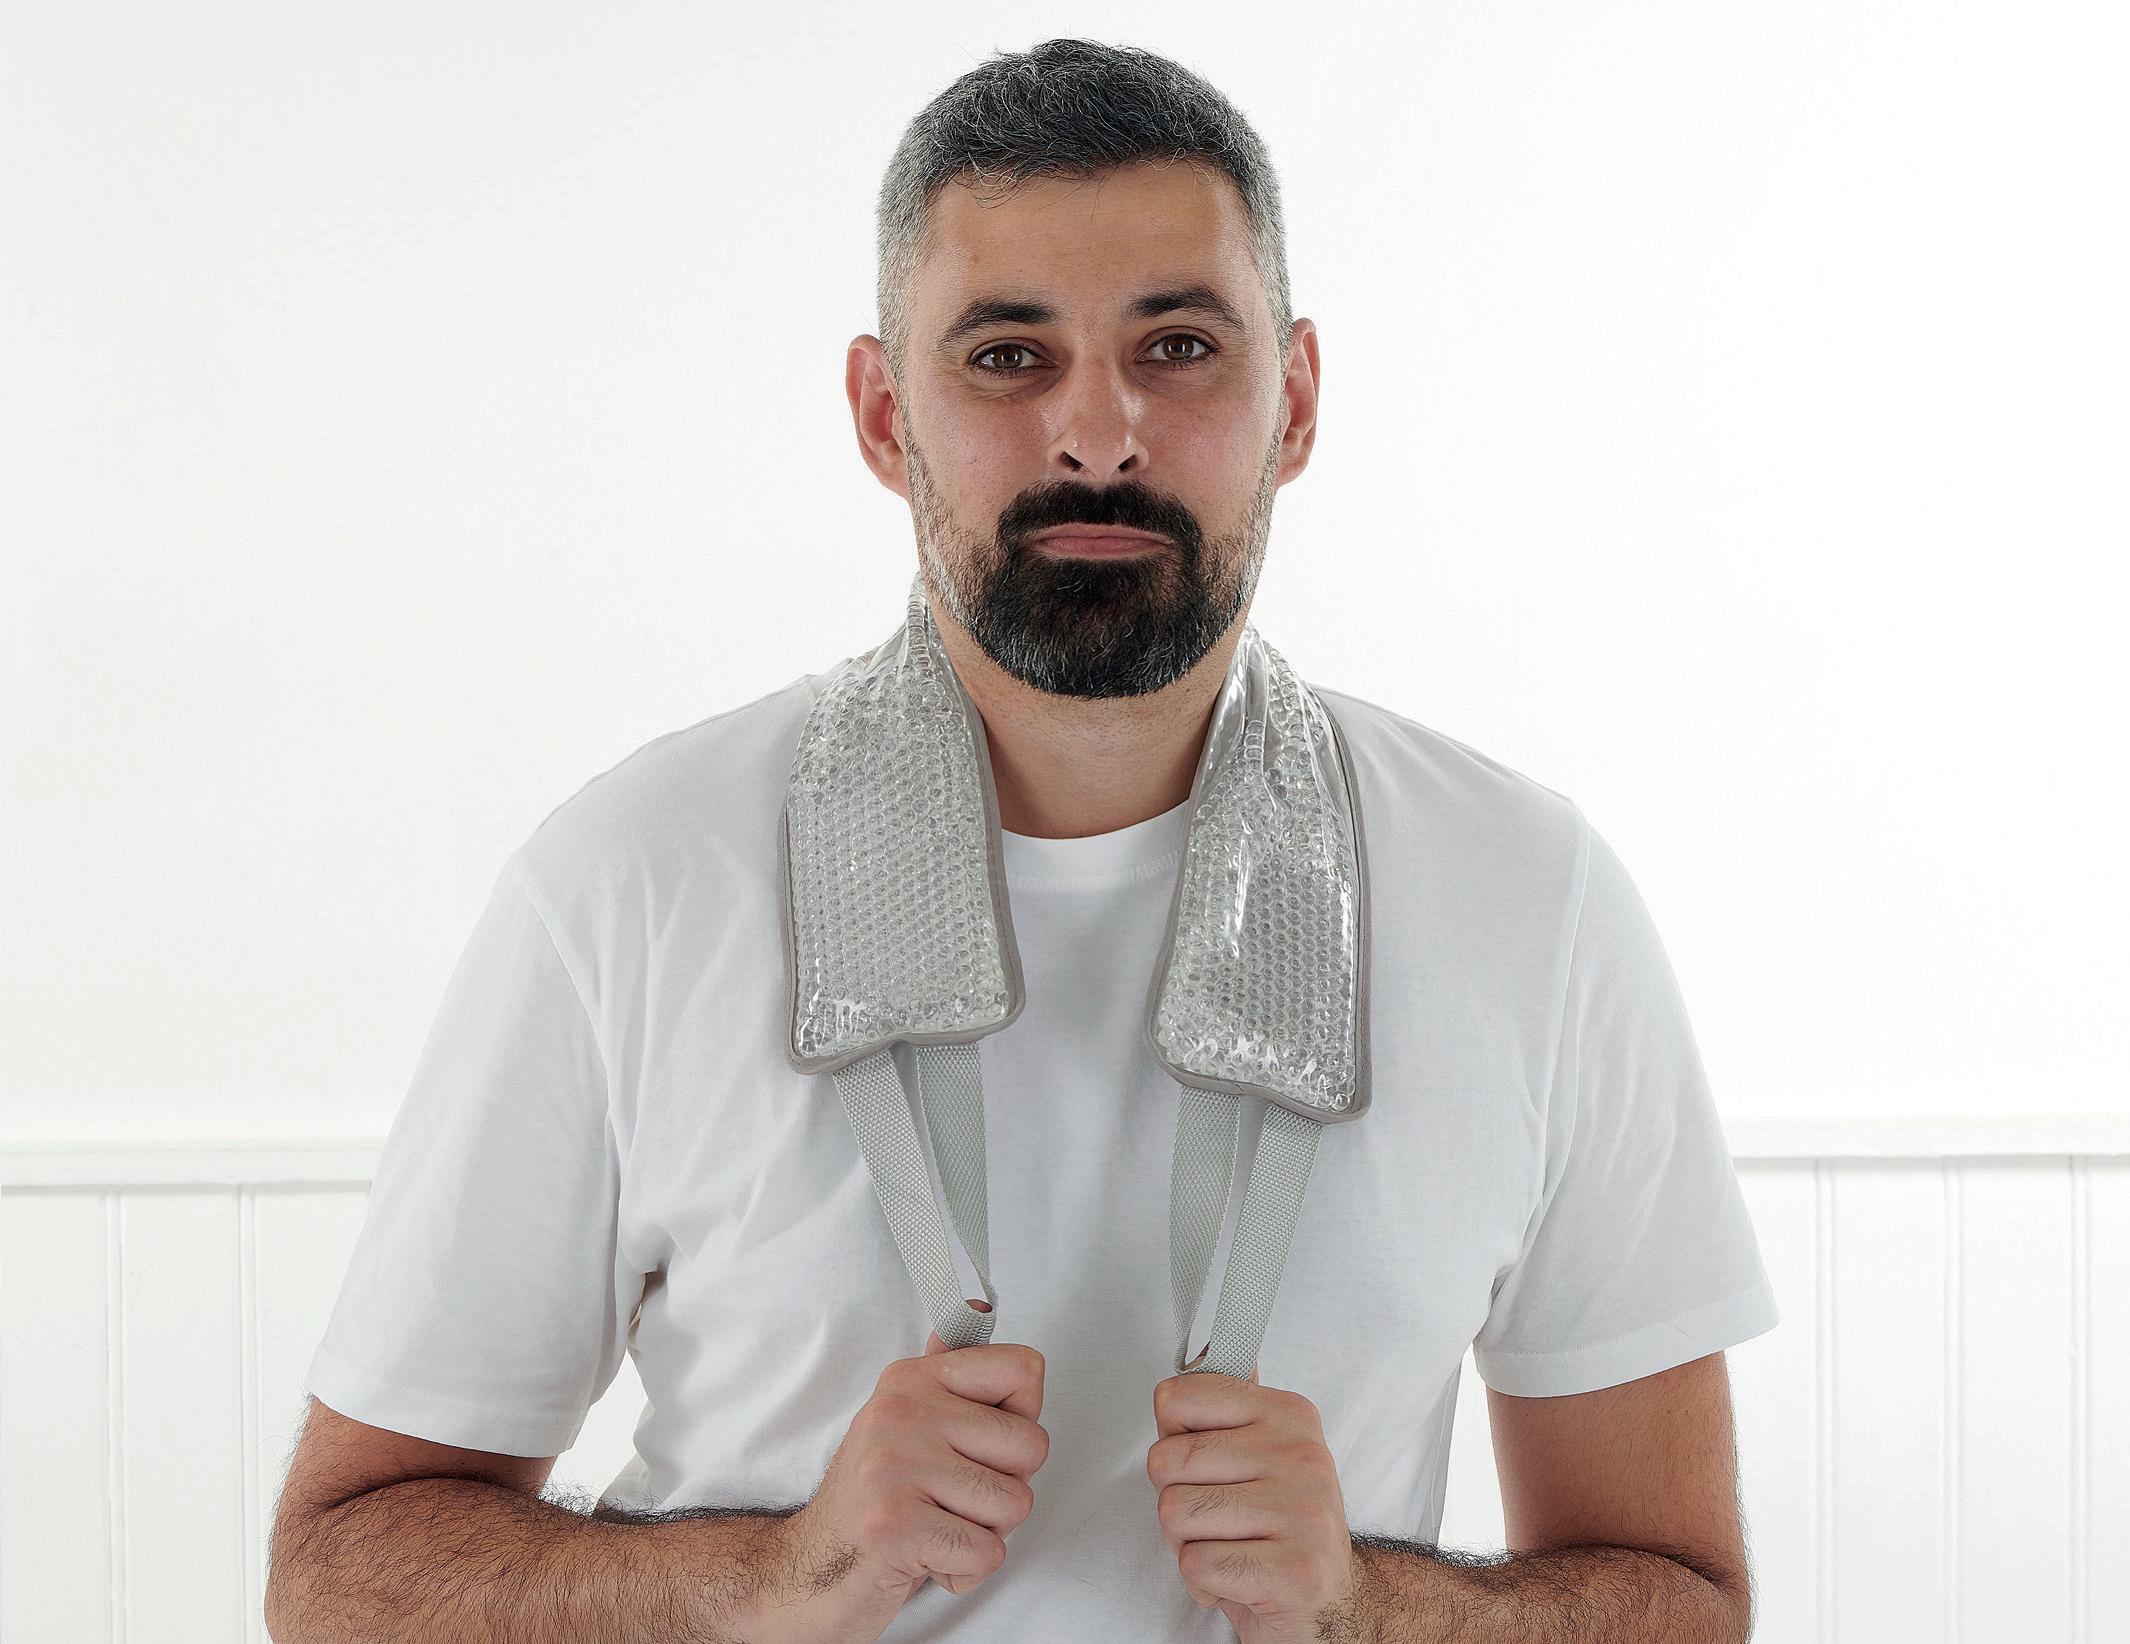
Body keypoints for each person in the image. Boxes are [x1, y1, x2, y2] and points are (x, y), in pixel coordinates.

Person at [265, 37, 1777, 1644]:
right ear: (881, 414)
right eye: (1005, 356)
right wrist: (787, 1573)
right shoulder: (629, 883)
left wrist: (1363, 1609)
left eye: (1178, 347)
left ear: (1295, 401)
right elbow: (337, 1579)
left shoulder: (1527, 898)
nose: (1098, 434)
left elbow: (1681, 1601)